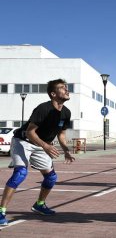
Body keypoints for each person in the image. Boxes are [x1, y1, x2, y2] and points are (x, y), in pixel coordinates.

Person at [0, 79, 75, 226]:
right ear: (53, 94)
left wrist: (66, 150)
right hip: (23, 141)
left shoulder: (66, 113)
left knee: (51, 178)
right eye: (62, 88)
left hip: (41, 145)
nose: (67, 90)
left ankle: (39, 205)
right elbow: (29, 132)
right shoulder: (43, 109)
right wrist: (46, 147)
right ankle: (1, 211)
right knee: (20, 173)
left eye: (66, 87)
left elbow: (61, 135)